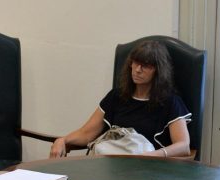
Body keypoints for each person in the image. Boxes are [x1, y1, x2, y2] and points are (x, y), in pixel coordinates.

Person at [49, 40, 191, 158]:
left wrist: (153, 155)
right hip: (111, 167)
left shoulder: (170, 102)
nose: (137, 70)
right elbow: (86, 133)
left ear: (158, 71)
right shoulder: (116, 96)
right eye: (135, 63)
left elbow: (183, 146)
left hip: (147, 169)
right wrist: (63, 140)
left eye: (145, 66)